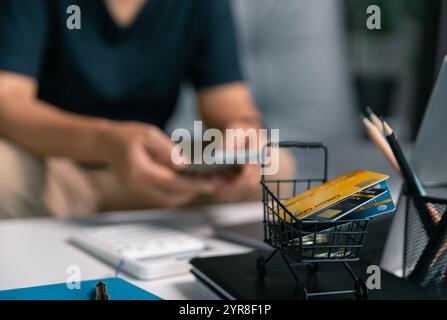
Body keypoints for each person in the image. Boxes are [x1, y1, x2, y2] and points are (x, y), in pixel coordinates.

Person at [0, 0, 270, 219]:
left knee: (272, 165)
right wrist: (108, 143)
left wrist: (243, 132)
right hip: (54, 170)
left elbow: (229, 104)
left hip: (153, 173)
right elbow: (8, 102)